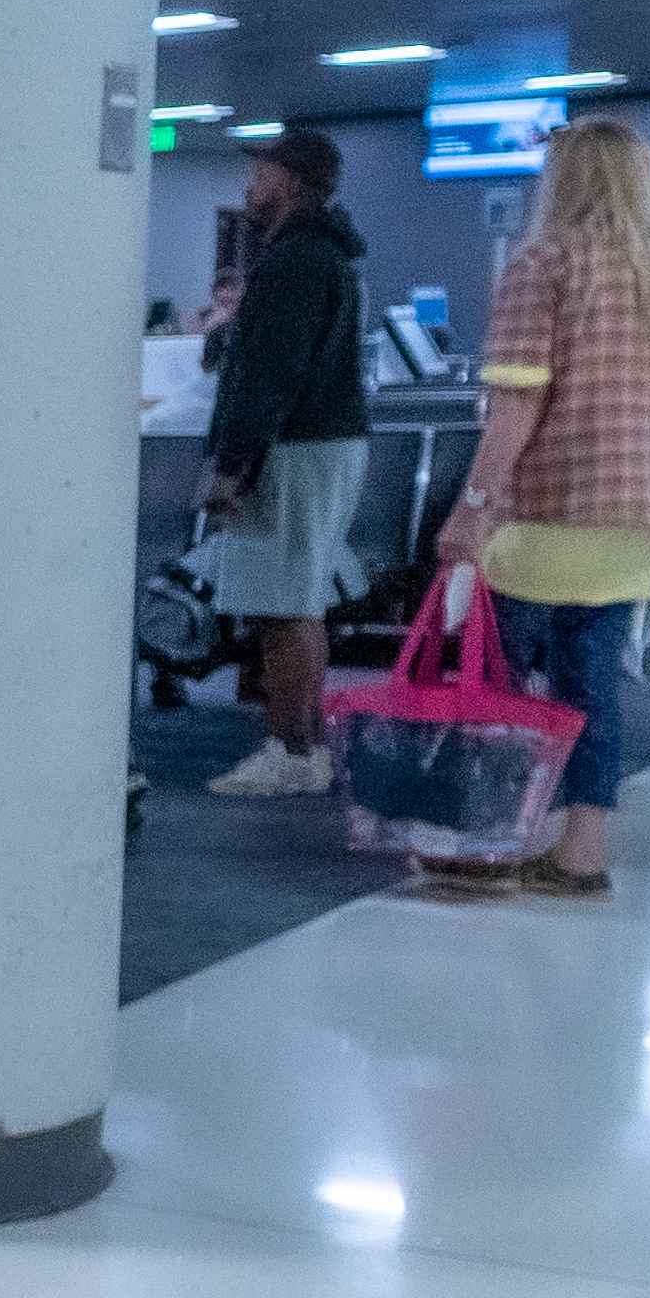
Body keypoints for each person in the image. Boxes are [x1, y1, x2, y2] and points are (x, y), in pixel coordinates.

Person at [423, 114, 650, 899]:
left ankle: (494, 838)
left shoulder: (545, 262)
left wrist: (473, 505)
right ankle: (581, 850)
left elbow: (517, 405)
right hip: (642, 516)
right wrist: (649, 445)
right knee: (592, 682)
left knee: (498, 680)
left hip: (547, 508)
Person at [200, 126, 376, 798]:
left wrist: (232, 467)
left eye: (263, 171)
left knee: (282, 607)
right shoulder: (324, 255)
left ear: (291, 182)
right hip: (325, 442)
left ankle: (290, 750)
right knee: (300, 601)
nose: (251, 182)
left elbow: (269, 375)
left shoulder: (294, 260)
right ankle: (305, 749)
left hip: (295, 447)